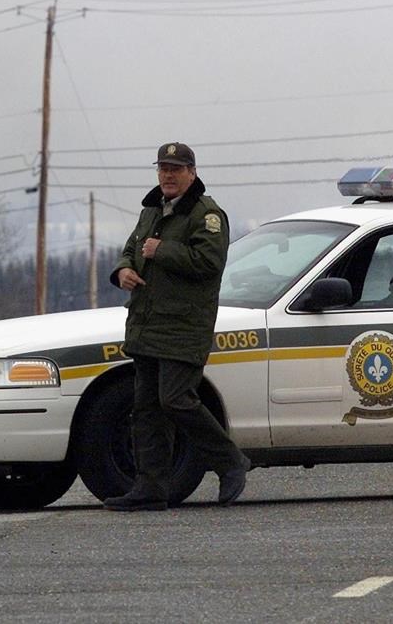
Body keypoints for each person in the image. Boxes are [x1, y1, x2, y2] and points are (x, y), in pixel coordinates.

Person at [105, 142, 250, 512]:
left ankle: (230, 461)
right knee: (146, 410)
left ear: (192, 173)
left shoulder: (206, 214)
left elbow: (209, 262)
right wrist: (123, 270)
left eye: (176, 169)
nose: (168, 175)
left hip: (184, 327)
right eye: (163, 169)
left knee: (176, 399)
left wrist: (162, 250)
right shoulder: (151, 209)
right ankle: (150, 488)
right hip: (146, 324)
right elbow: (132, 248)